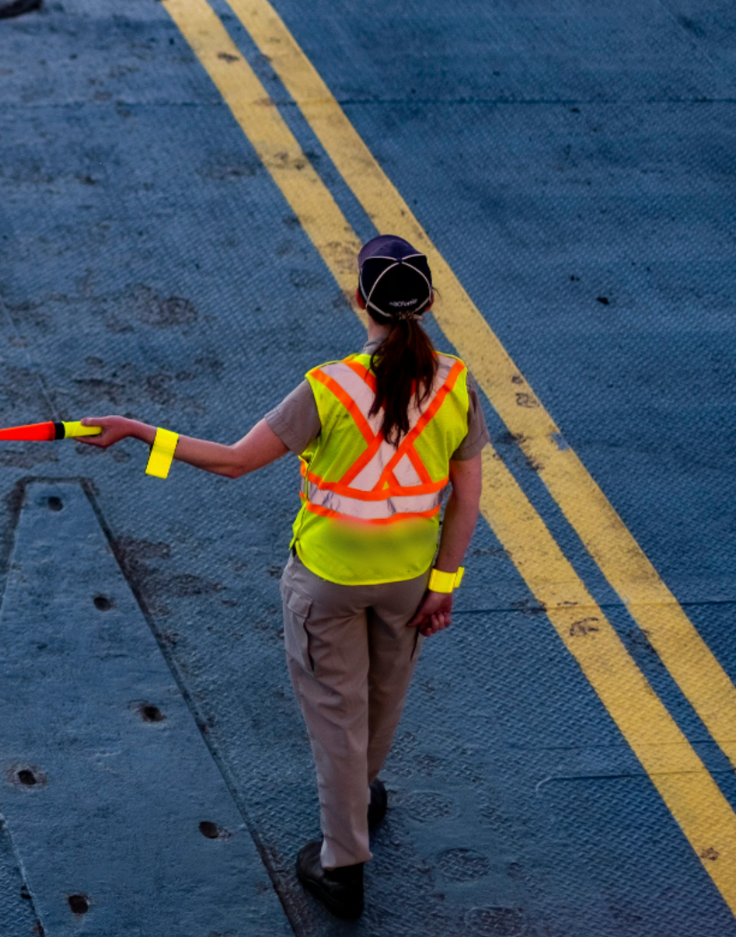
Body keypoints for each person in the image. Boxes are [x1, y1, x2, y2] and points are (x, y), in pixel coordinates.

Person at [75, 234, 487, 921]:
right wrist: (446, 582)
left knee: (336, 719)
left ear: (360, 300)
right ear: (429, 304)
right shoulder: (457, 384)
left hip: (328, 581)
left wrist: (139, 430)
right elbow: (466, 498)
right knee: (383, 697)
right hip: (412, 578)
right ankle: (363, 793)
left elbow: (234, 462)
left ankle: (342, 866)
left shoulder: (329, 388)